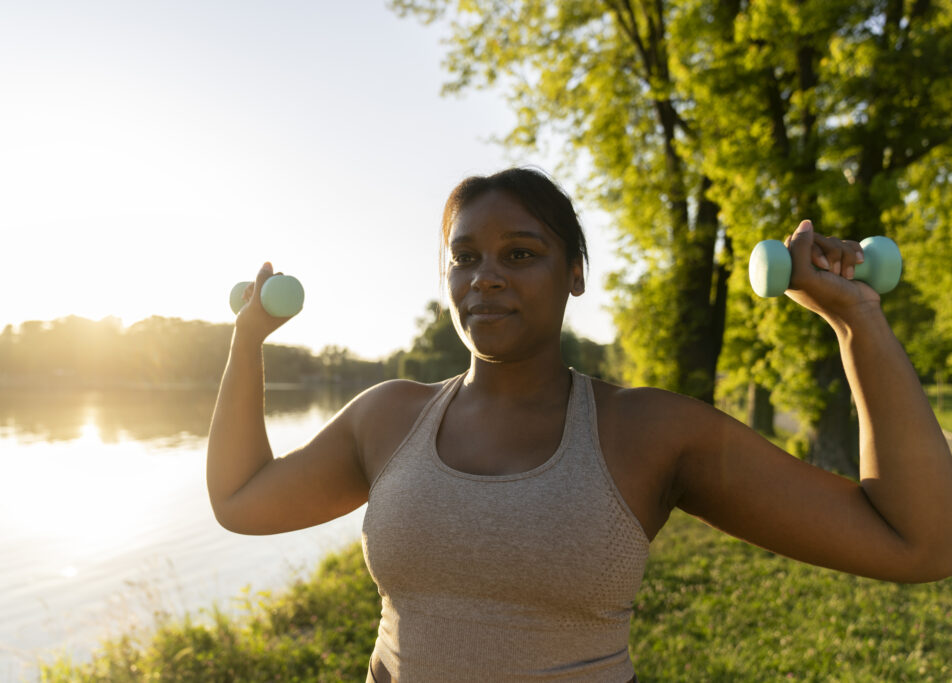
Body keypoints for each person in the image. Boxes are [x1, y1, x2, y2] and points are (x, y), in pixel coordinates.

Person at [207, 167, 952, 682]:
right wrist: (246, 342)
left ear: (574, 274)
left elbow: (916, 541)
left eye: (519, 253)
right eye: (464, 257)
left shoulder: (648, 432)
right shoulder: (386, 415)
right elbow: (242, 498)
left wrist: (857, 323)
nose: (485, 276)